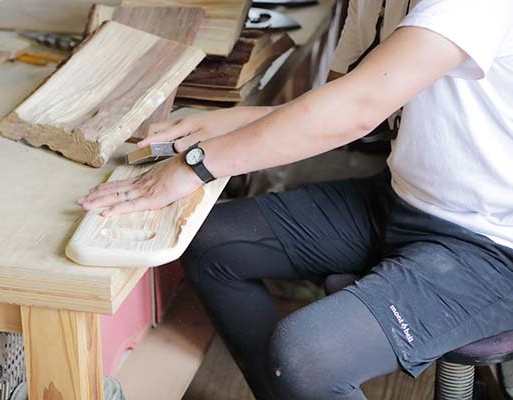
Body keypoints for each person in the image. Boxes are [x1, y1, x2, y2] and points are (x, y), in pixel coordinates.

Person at [78, 0, 513, 398]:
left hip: (492, 243)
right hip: (403, 200)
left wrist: (197, 164)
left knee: (308, 358)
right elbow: (339, 99)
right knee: (210, 244)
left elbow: (358, 108)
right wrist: (233, 123)